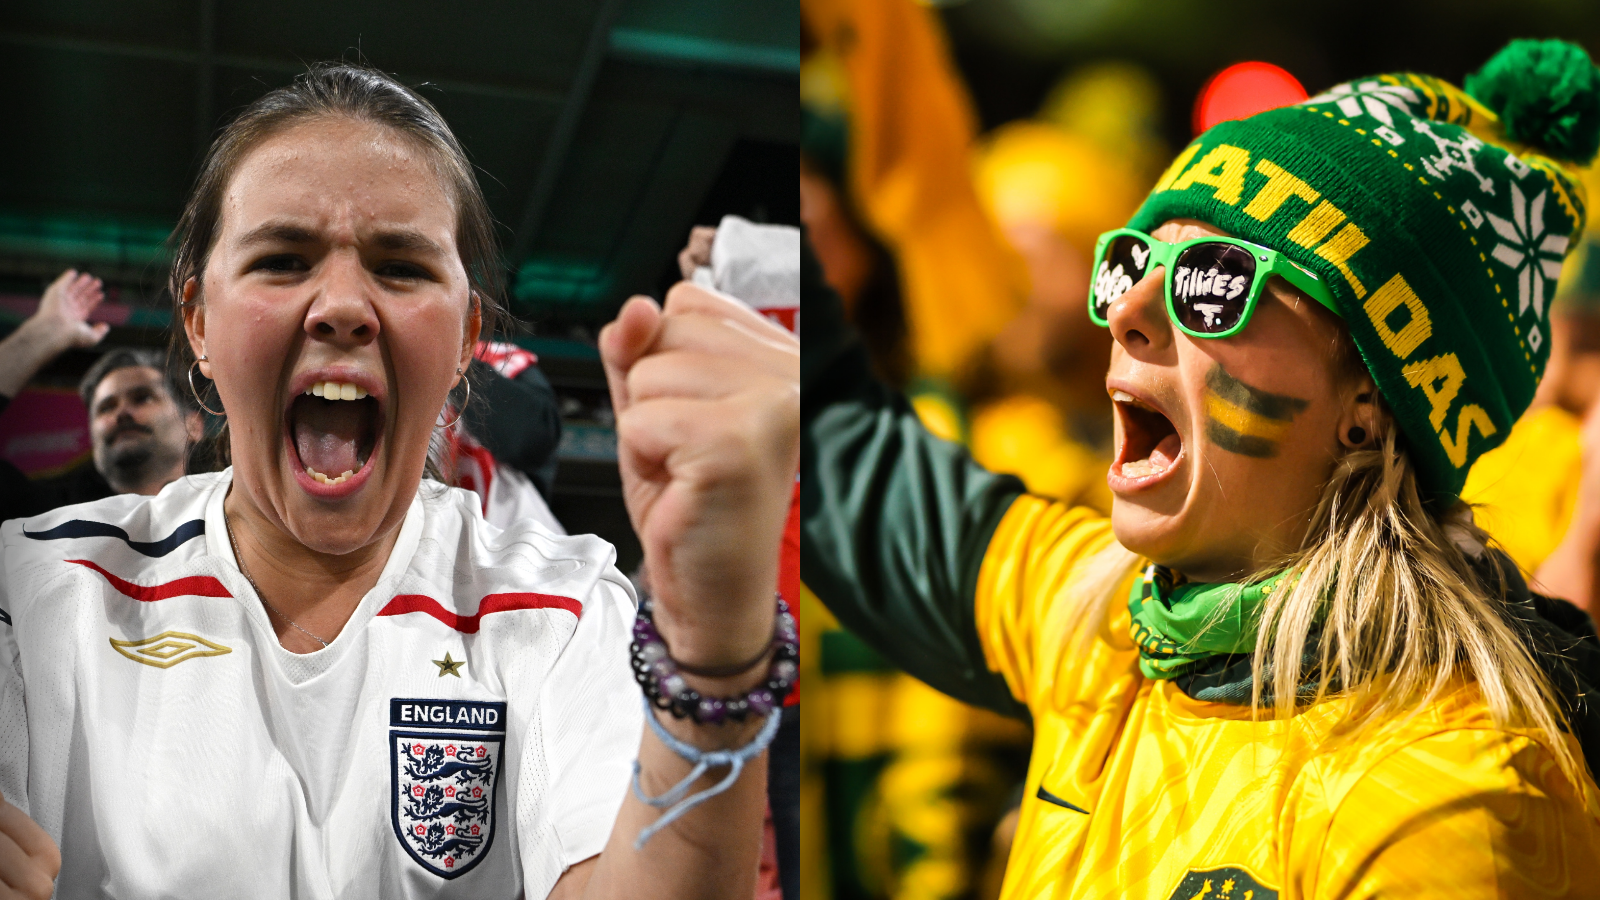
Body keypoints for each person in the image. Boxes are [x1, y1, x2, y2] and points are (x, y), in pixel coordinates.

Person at [803, 39, 1600, 897]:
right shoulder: (1099, 621)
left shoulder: (1452, 804)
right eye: (1129, 265)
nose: (1130, 312)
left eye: (1213, 283)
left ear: (1372, 407)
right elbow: (833, 439)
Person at [0, 62, 797, 900]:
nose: (342, 304)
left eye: (402, 268)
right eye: (281, 258)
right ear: (199, 324)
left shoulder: (561, 612)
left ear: (465, 341)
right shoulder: (37, 596)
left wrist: (713, 646)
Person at [0, 272, 206, 523]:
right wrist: (45, 332)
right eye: (105, 408)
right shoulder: (47, 519)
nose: (121, 413)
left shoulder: (231, 516)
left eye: (143, 398)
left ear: (193, 425)